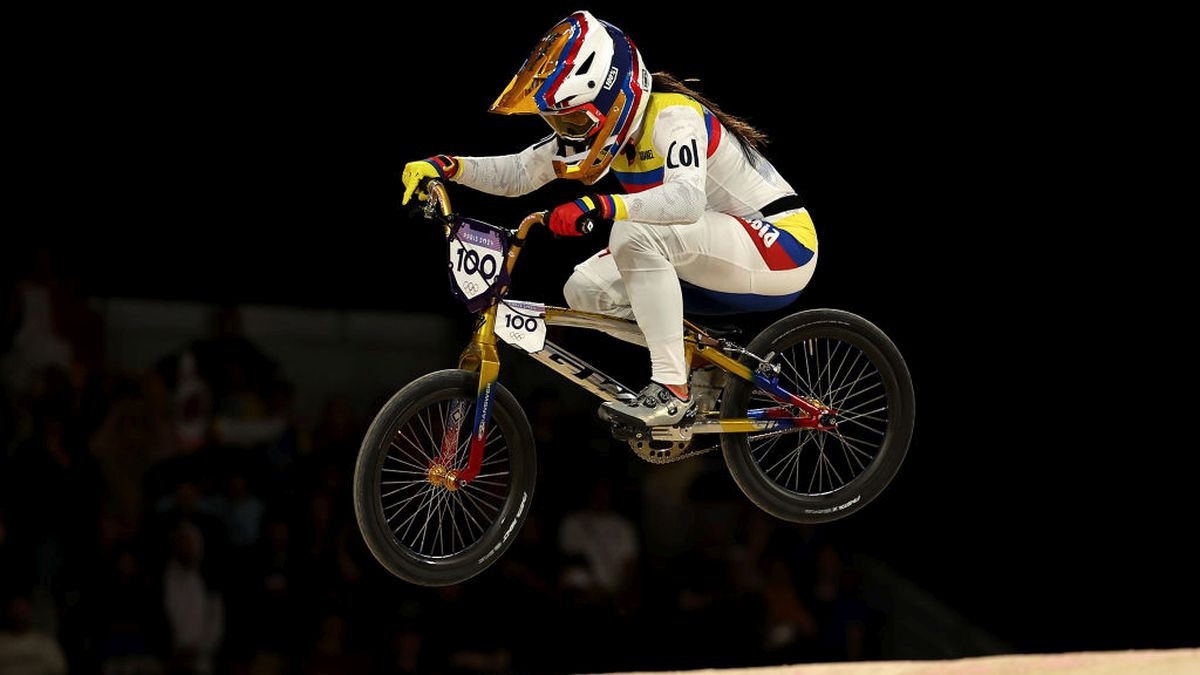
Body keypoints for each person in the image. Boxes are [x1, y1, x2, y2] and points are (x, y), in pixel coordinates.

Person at [401, 10, 817, 427]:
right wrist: (446, 166)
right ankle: (702, 362)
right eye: (557, 122)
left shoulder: (675, 116)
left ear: (614, 98)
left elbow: (686, 202)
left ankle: (672, 390)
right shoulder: (600, 128)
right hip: (711, 251)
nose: (568, 133)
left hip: (782, 246)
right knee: (585, 291)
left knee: (632, 234)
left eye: (574, 120)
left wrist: (600, 205)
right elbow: (521, 172)